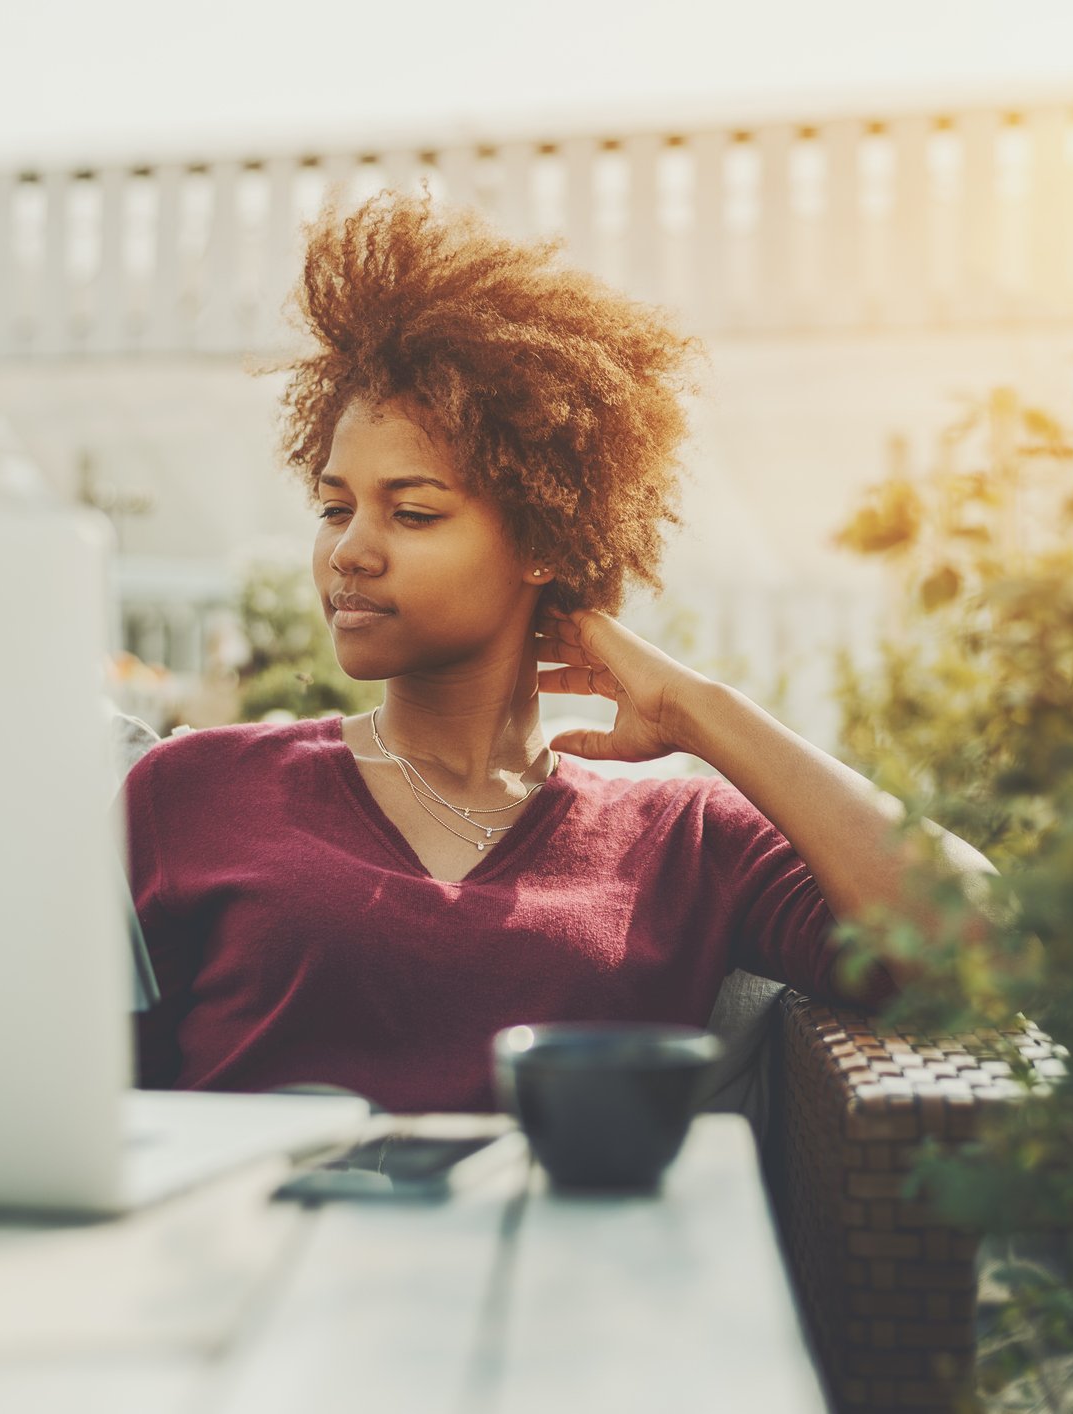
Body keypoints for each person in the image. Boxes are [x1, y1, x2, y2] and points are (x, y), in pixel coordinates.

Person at [119, 190, 995, 1114]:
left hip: (559, 1255)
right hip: (241, 1249)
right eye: (336, 507)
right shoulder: (195, 792)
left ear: (545, 541)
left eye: (412, 511)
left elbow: (981, 949)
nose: (351, 550)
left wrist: (703, 710)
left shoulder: (686, 844)